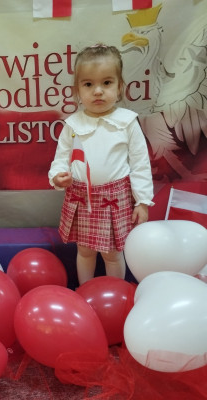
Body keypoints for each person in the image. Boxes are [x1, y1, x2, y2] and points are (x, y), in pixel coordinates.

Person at [48, 44, 154, 286]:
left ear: (120, 87)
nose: (97, 91)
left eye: (106, 83)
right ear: (77, 90)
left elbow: (140, 164)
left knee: (113, 254)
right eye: (88, 84)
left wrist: (143, 201)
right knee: (85, 251)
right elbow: (61, 158)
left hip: (114, 199)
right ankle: (86, 291)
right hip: (81, 198)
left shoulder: (127, 122)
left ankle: (115, 293)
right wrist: (58, 176)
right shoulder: (73, 124)